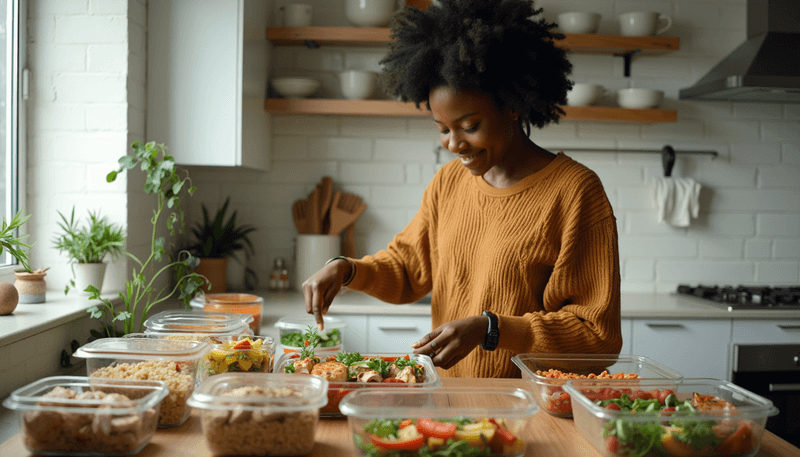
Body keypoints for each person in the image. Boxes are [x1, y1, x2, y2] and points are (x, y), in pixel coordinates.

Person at [302, 0, 622, 378]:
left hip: (528, 408)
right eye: (443, 129)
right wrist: (345, 269)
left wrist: (493, 329)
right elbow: (407, 269)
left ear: (512, 106)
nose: (453, 144)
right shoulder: (449, 182)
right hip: (448, 401)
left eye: (469, 126)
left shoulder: (575, 192)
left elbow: (596, 338)